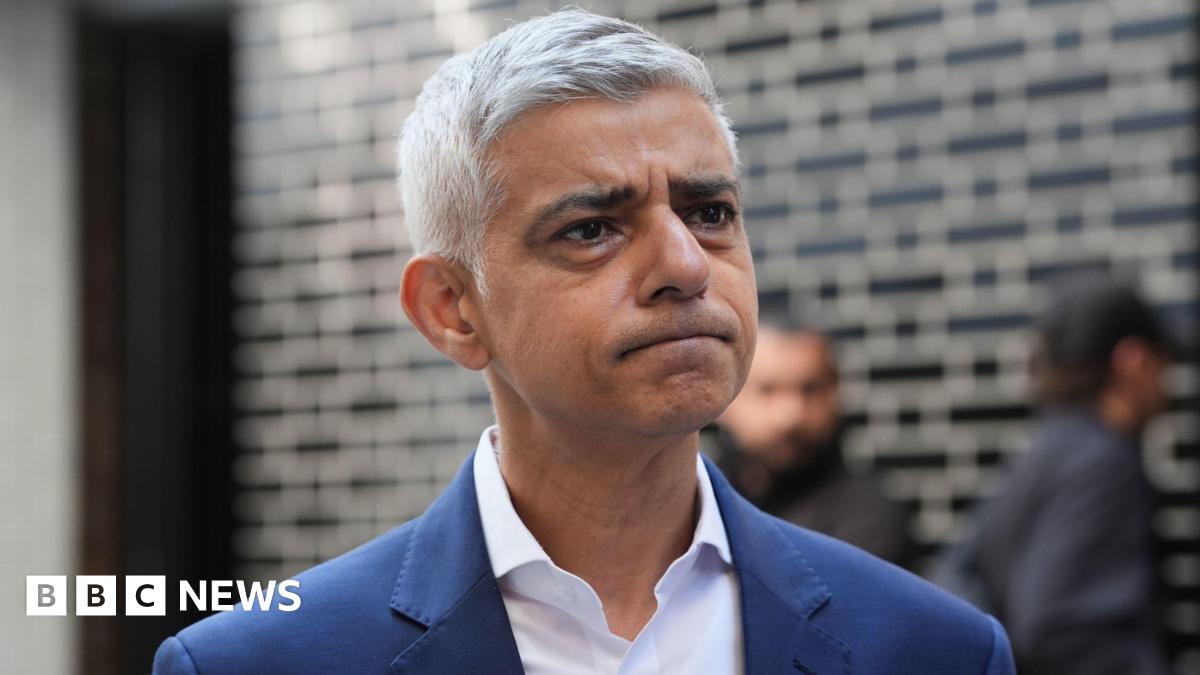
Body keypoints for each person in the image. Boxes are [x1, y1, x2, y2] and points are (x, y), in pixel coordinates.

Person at [154, 9, 1014, 674]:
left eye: (710, 212)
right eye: (593, 228)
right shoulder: (259, 661)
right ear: (453, 308)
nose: (684, 264)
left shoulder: (932, 649)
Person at [933, 279, 1174, 675]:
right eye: (1164, 365)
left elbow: (955, 573)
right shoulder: (1105, 463)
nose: (1167, 386)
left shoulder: (1041, 453)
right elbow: (1068, 631)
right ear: (1133, 361)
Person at [717, 319, 915, 567]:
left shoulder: (870, 512)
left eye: (809, 390)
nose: (791, 416)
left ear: (835, 393)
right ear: (725, 395)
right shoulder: (695, 500)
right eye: (767, 390)